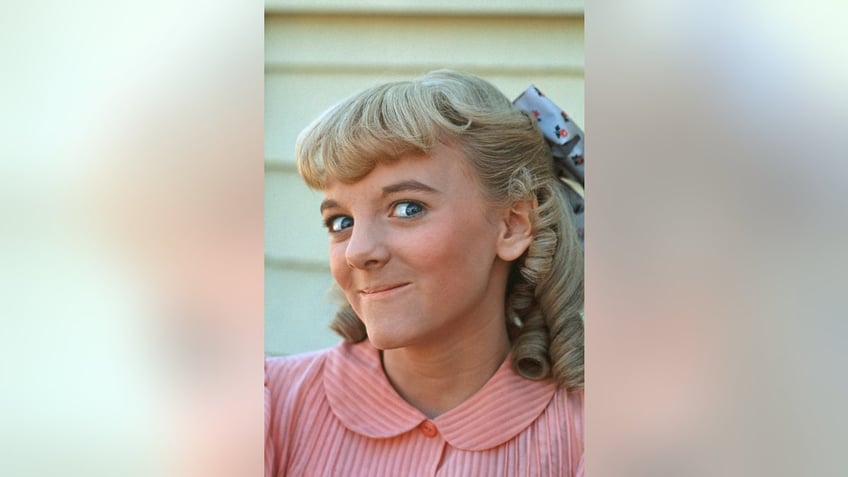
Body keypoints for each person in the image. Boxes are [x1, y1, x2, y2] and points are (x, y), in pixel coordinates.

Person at [265, 70, 584, 476]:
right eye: (340, 222)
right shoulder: (264, 409)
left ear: (512, 225)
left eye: (407, 208)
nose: (359, 252)